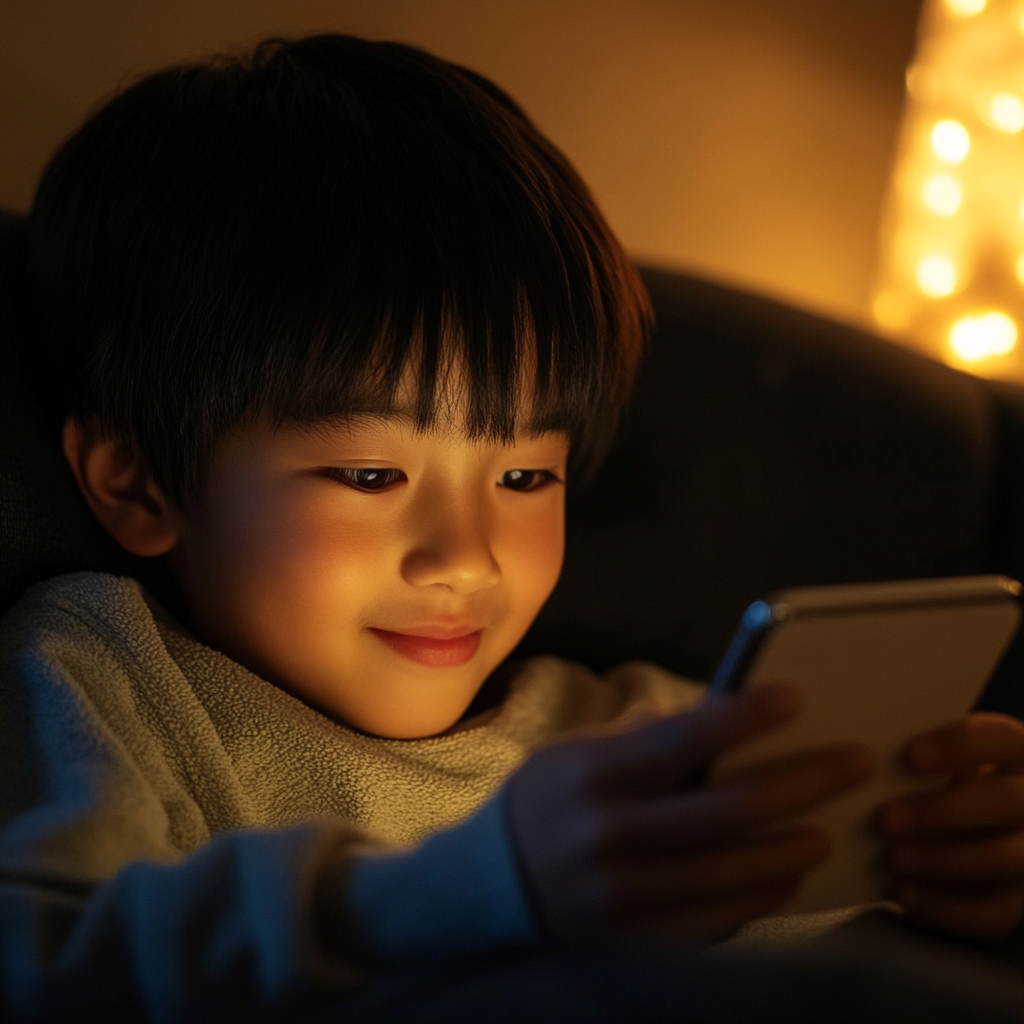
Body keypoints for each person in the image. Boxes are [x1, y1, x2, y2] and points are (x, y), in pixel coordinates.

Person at [0, 34, 1022, 1022]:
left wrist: (957, 885)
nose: (467, 556)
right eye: (368, 472)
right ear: (136, 484)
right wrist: (483, 882)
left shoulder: (643, 741)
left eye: (527, 474)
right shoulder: (111, 677)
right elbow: (45, 966)